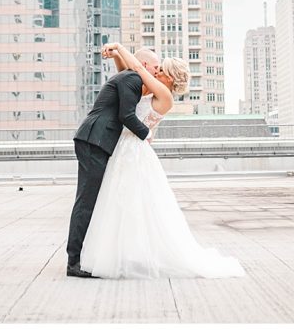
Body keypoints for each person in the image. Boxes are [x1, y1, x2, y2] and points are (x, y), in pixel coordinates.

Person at [79, 42, 245, 279]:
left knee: (131, 202)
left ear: (169, 77)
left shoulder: (164, 95)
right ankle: (122, 253)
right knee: (121, 202)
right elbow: (127, 74)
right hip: (125, 147)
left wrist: (119, 47)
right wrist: (117, 55)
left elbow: (138, 67)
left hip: (133, 149)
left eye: (161, 70)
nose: (157, 71)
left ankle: (128, 255)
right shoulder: (153, 90)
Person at [66, 46, 162, 278]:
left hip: (95, 140)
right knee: (86, 201)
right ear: (144, 65)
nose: (157, 72)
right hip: (95, 140)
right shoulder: (132, 78)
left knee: (89, 200)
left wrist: (118, 55)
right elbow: (126, 116)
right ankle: (74, 262)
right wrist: (147, 134)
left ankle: (80, 257)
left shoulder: (127, 76)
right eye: (156, 67)